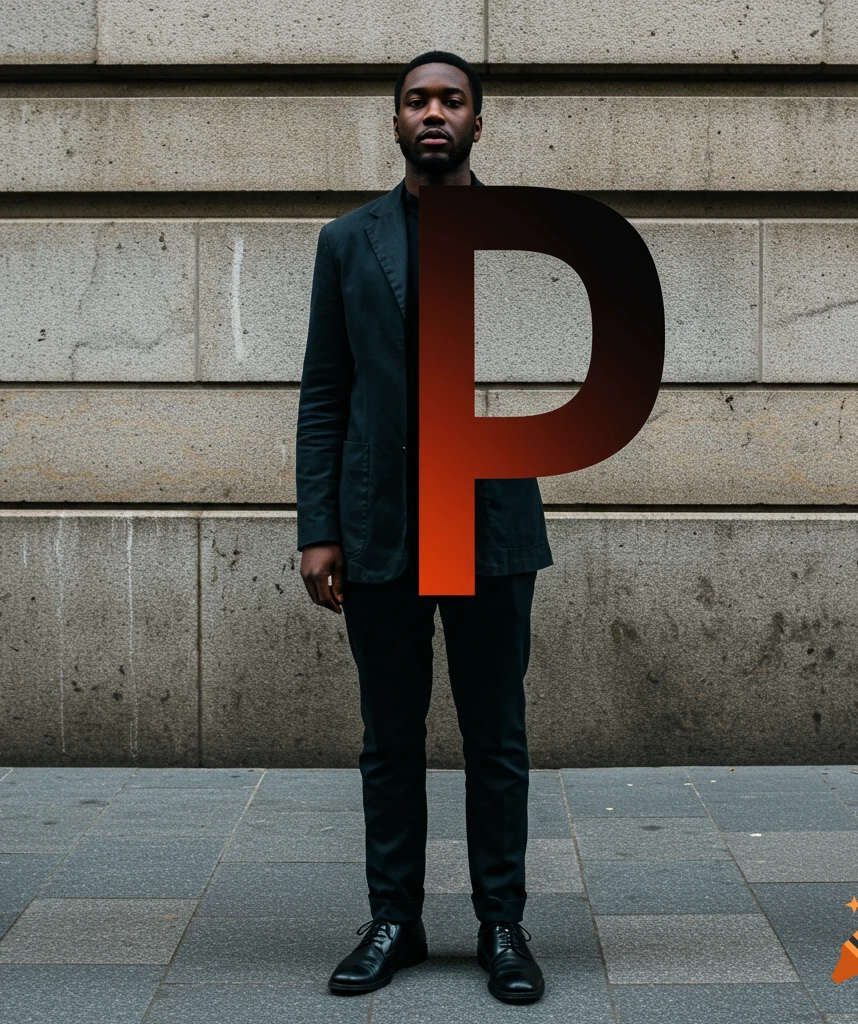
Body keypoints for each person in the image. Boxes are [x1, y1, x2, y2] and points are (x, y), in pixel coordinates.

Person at [294, 50, 553, 1003]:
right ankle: (394, 918)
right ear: (395, 121)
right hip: (380, 527)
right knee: (389, 735)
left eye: (451, 100)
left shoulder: (526, 239)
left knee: (496, 738)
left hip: (488, 518)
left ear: (479, 124)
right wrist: (317, 527)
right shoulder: (346, 242)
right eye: (417, 100)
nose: (433, 112)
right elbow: (327, 392)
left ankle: (502, 926)